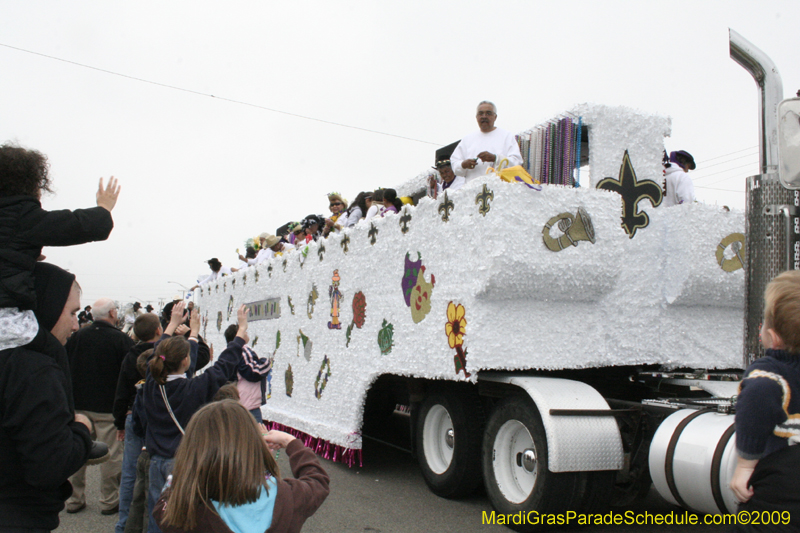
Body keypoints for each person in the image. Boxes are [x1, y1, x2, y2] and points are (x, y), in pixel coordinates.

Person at [0, 262, 93, 531]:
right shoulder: (34, 369)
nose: (76, 325)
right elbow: (49, 466)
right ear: (47, 307)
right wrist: (80, 429)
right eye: (73, 313)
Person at [0, 142, 119, 352]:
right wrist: (104, 207)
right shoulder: (22, 215)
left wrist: (25, 254)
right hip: (7, 317)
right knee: (52, 355)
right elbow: (80, 225)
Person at [144, 302, 249, 533]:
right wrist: (240, 333)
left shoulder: (152, 383)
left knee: (157, 515)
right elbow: (222, 366)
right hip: (181, 463)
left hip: (155, 461)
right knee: (182, 518)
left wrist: (173, 325)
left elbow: (159, 353)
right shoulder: (193, 389)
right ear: (185, 362)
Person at [154, 400, 330, 533]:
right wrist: (290, 442)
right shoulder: (289, 497)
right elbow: (318, 481)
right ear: (255, 449)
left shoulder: (187, 513)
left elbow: (162, 507)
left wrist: (186, 470)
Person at [730, 270, 800, 526]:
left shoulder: (769, 374)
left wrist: (745, 466)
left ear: (773, 337)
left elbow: (756, 401)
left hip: (781, 490)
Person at [66, 297, 136, 515]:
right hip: (108, 407)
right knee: (111, 456)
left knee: (76, 453)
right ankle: (108, 501)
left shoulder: (76, 337)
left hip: (77, 405)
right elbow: (130, 375)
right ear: (113, 314)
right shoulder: (121, 340)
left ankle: (73, 499)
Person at [112, 314, 163, 533]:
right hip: (159, 418)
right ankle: (155, 522)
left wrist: (119, 421)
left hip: (134, 414)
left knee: (131, 471)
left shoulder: (130, 355)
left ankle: (124, 523)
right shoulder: (164, 354)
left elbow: (122, 390)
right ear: (159, 331)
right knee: (159, 470)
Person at [449, 101, 523, 183]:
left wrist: (495, 158)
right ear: (476, 117)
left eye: (488, 113)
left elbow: (517, 162)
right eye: (481, 113)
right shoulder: (467, 139)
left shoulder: (506, 136)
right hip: (473, 191)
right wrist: (463, 164)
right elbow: (455, 163)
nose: (484, 116)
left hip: (499, 191)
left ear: (495, 117)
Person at [224, 323, 272, 422]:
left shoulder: (227, 351)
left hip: (236, 402)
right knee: (255, 434)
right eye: (245, 331)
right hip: (248, 404)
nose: (247, 333)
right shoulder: (243, 350)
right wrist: (266, 363)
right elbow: (254, 372)